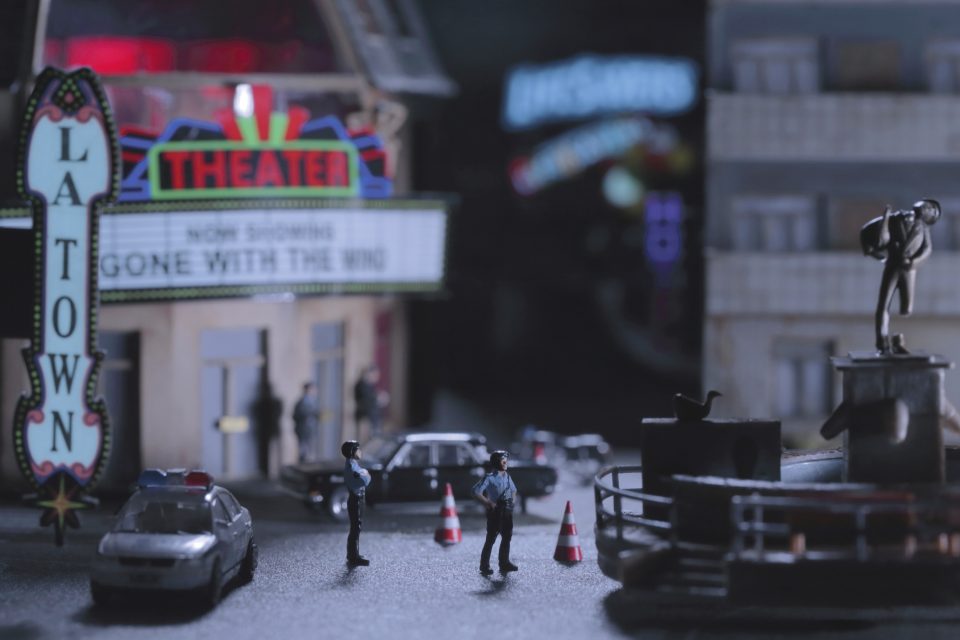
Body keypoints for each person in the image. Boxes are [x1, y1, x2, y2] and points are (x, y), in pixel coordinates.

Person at [860, 199, 941, 354]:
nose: (927, 210)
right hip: (892, 266)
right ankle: (882, 341)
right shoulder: (895, 218)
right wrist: (885, 219)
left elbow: (927, 250)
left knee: (906, 309)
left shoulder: (923, 229)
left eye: (932, 211)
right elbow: (878, 237)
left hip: (908, 270)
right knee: (883, 304)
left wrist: (913, 262)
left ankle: (898, 340)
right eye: (929, 207)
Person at [473, 450, 519, 576]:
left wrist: (512, 502)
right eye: (502, 460)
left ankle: (504, 562)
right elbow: (476, 491)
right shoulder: (489, 478)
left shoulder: (507, 477)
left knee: (507, 537)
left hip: (507, 511)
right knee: (491, 538)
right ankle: (484, 565)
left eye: (506, 460)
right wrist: (488, 502)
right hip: (496, 511)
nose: (505, 462)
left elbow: (514, 490)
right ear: (495, 462)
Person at [341, 440, 371, 566]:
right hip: (355, 499)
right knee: (355, 528)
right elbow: (365, 480)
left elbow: (365, 476)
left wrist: (364, 473)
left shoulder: (353, 464)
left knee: (357, 527)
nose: (360, 451)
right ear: (352, 452)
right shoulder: (351, 468)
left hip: (358, 498)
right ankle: (353, 555)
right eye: (357, 449)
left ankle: (354, 554)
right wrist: (365, 474)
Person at [354, 365, 388, 438]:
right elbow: (366, 401)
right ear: (370, 373)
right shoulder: (362, 384)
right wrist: (378, 399)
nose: (376, 377)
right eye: (375, 375)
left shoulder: (369, 385)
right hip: (365, 417)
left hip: (371, 419)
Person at [292, 382, 319, 463]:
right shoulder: (302, 402)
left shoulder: (312, 401)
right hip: (303, 430)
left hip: (310, 430)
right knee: (303, 451)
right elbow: (296, 415)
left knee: (309, 451)